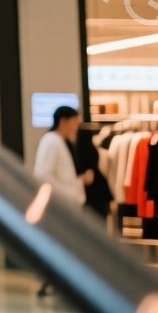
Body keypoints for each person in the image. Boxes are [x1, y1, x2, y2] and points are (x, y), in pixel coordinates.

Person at [32, 105, 92, 297]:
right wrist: (72, 191)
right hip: (61, 204)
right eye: (74, 122)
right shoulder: (51, 142)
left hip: (65, 202)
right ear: (64, 121)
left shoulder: (58, 142)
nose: (76, 127)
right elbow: (43, 176)